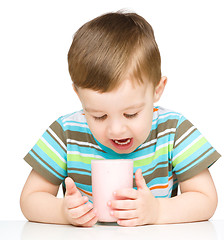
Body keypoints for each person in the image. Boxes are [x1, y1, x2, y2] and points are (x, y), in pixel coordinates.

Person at [20, 11, 221, 227]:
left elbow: (205, 199)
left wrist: (157, 211)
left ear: (157, 90)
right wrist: (62, 211)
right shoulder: (66, 132)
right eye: (99, 116)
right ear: (79, 96)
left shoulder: (173, 130)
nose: (116, 130)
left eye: (131, 114)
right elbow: (30, 199)